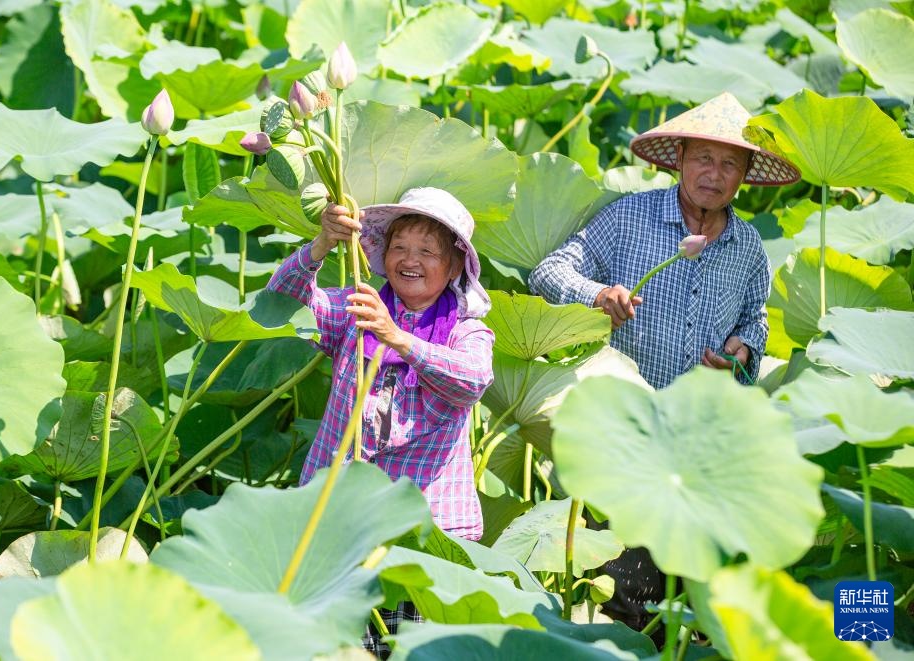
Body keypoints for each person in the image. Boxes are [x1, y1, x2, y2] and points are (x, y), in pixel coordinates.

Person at [528, 92, 800, 637]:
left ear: (745, 174)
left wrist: (741, 353)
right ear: (679, 157)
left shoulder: (748, 246)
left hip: (699, 437)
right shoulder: (629, 217)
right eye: (703, 158)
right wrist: (599, 294)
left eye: (729, 164)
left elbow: (756, 326)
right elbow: (548, 272)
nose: (714, 174)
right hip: (622, 428)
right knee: (623, 589)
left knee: (689, 595)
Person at [266, 187, 495, 657]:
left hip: (425, 533)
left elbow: (472, 381)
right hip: (339, 521)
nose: (409, 260)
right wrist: (320, 245)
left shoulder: (466, 330)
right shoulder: (359, 307)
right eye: (399, 247)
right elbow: (281, 302)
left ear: (454, 267)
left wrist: (395, 336)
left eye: (427, 251)